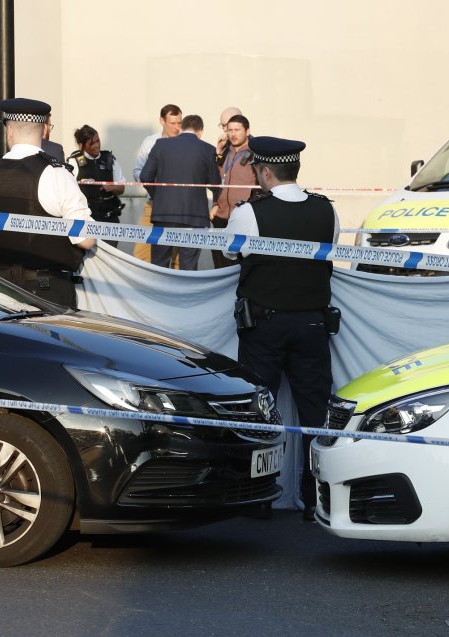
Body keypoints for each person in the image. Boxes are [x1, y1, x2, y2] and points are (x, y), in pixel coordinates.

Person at [223, 136, 340, 520]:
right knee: (314, 414)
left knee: (258, 412)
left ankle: (259, 498)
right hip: (312, 325)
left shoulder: (249, 213)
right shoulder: (327, 212)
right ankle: (314, 499)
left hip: (264, 328)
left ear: (265, 171)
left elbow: (229, 252)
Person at [0, 98, 96, 307]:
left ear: (9, 130)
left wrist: (1, 228)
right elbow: (85, 239)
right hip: (48, 294)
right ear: (43, 130)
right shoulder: (57, 175)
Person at [140, 114, 220, 270]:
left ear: (181, 128)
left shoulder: (161, 145)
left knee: (159, 267)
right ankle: (187, 295)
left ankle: (159, 294)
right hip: (194, 215)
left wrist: (159, 196)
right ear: (200, 131)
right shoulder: (208, 149)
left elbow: (145, 176)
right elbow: (216, 184)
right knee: (188, 268)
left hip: (163, 213)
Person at [131, 104, 183, 262]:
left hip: (181, 206)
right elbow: (137, 171)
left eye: (179, 123)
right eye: (172, 123)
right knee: (142, 253)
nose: (176, 127)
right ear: (162, 121)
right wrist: (153, 186)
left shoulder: (185, 142)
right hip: (153, 204)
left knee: (178, 257)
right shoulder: (150, 142)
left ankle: (175, 287)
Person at [211, 114, 258, 268]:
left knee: (241, 265)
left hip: (243, 217)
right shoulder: (223, 152)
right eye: (230, 130)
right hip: (221, 216)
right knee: (220, 265)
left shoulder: (255, 153)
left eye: (237, 130)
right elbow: (216, 181)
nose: (233, 134)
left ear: (247, 131)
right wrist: (215, 204)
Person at [68, 125, 126, 229]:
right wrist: (81, 183)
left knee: (109, 245)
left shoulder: (108, 159)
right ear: (81, 145)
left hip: (109, 216)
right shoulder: (74, 161)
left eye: (98, 141)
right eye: (91, 143)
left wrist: (111, 187)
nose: (97, 145)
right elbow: (67, 191)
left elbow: (122, 188)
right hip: (86, 217)